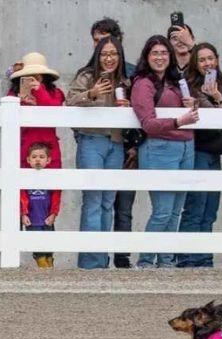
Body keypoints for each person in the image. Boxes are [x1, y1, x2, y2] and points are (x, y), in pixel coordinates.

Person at [131, 35, 198, 268]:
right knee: (163, 210)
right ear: (147, 57)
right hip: (160, 148)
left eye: (164, 53)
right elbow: (148, 123)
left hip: (185, 147)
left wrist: (191, 105)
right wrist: (178, 121)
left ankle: (167, 261)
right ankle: (147, 262)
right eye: (155, 53)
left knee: (175, 211)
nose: (160, 58)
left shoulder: (175, 81)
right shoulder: (143, 84)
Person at [66, 36, 130, 269]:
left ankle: (102, 260)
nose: (109, 58)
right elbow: (69, 102)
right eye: (105, 54)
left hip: (116, 142)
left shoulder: (125, 80)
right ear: (97, 55)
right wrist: (91, 93)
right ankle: (90, 263)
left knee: (107, 202)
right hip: (91, 140)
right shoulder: (86, 76)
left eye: (114, 54)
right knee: (93, 200)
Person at [89, 17, 137, 268]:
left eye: (107, 42)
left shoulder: (131, 72)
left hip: (126, 143)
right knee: (98, 200)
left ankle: (122, 258)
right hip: (99, 142)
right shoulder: (89, 73)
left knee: (123, 204)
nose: (102, 48)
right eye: (97, 42)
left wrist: (134, 145)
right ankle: (96, 260)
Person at [177, 43, 222, 268]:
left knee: (210, 208)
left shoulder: (220, 85)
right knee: (195, 206)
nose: (207, 63)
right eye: (202, 60)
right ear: (195, 64)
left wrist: (218, 97)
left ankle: (204, 259)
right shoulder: (189, 87)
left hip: (215, 151)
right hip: (198, 149)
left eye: (211, 58)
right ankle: (188, 258)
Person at [8, 52, 64, 169]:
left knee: (53, 183)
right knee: (22, 184)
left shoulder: (56, 93)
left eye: (36, 76)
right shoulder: (14, 94)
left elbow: (55, 112)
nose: (32, 80)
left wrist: (40, 92)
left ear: (44, 76)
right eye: (28, 76)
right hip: (25, 149)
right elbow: (9, 118)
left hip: (50, 149)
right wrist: (22, 102)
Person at [21, 143, 61, 268]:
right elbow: (21, 197)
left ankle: (49, 266)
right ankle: (43, 268)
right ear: (28, 160)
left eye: (41, 157)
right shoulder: (23, 177)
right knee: (38, 248)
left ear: (48, 160)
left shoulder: (50, 178)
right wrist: (23, 214)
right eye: (34, 157)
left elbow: (56, 196)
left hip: (47, 218)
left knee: (49, 247)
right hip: (32, 219)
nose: (37, 159)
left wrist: (54, 213)